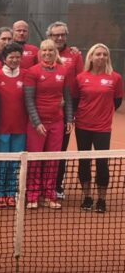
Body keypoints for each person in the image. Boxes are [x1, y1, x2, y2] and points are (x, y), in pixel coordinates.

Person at [71, 44, 123, 213]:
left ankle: (101, 199)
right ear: (91, 57)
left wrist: (104, 113)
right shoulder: (80, 78)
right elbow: (75, 100)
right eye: (98, 54)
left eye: (104, 54)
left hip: (103, 128)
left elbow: (117, 101)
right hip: (82, 126)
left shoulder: (115, 78)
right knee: (84, 162)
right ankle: (87, 197)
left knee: (102, 163)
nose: (101, 57)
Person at [23, 38, 74, 209]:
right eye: (44, 50)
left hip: (57, 123)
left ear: (55, 52)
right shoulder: (32, 72)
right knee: (35, 160)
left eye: (50, 50)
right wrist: (37, 122)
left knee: (53, 160)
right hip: (37, 125)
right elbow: (29, 100)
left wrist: (69, 118)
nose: (47, 53)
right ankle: (32, 196)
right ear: (40, 53)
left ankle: (49, 195)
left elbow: (67, 97)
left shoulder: (63, 71)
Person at [46, 21, 83, 200]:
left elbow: (80, 80)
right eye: (56, 35)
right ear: (49, 37)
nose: (60, 38)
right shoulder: (43, 53)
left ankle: (56, 185)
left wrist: (72, 111)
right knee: (40, 149)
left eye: (62, 35)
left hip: (67, 108)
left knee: (60, 148)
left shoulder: (75, 55)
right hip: (44, 108)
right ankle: (38, 186)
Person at [0, 42, 27, 208]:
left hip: (20, 127)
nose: (15, 60)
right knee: (2, 162)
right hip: (1, 128)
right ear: (4, 58)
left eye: (18, 57)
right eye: (11, 57)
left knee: (15, 163)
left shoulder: (26, 75)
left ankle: (11, 193)